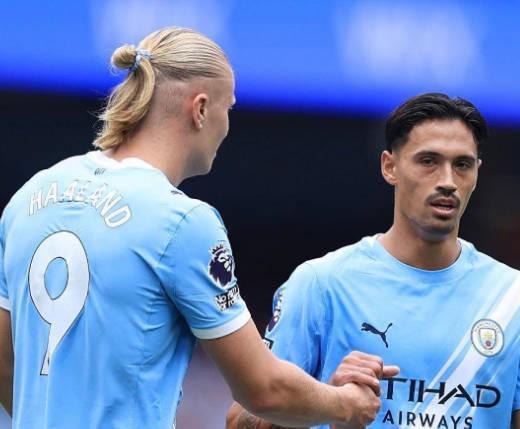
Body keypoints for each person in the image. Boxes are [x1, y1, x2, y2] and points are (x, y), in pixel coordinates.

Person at [0, 27, 389, 429]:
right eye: (229, 108)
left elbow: (3, 364)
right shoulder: (181, 222)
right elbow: (263, 389)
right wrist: (344, 403)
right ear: (201, 109)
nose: (228, 125)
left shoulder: (29, 197)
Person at [227, 93, 520, 428]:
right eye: (428, 161)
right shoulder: (322, 284)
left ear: (477, 173)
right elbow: (240, 422)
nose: (447, 181)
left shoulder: (517, 296)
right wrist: (328, 402)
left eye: (462, 165)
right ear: (389, 167)